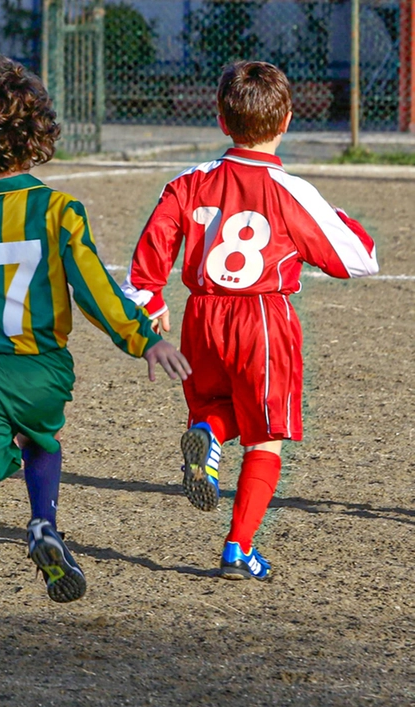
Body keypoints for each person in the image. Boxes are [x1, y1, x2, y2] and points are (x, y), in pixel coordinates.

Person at [0, 55, 192, 686]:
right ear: (38, 135)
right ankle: (44, 524)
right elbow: (94, 289)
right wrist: (143, 336)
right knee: (42, 438)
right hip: (39, 368)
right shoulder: (59, 211)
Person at [123, 60, 378, 581]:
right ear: (286, 121)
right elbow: (358, 257)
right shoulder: (291, 190)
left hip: (201, 317)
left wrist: (151, 307)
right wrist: (334, 215)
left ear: (220, 119)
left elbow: (144, 269)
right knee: (267, 433)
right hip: (263, 319)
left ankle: (209, 433)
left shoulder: (187, 183)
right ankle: (239, 548)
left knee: (221, 406)